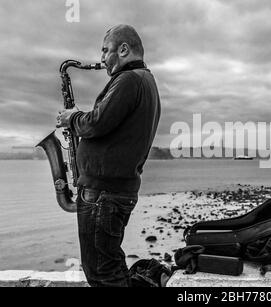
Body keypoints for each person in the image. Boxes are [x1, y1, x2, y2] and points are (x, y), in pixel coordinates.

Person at [56, 24, 161, 287]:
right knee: (108, 268)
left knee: (102, 275)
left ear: (124, 49)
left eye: (105, 50)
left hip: (104, 194)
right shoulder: (144, 80)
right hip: (109, 193)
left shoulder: (129, 79)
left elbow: (97, 123)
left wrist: (73, 118)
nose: (102, 58)